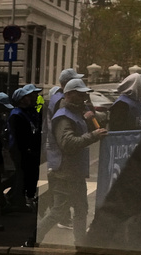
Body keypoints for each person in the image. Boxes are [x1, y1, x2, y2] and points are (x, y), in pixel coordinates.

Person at [41, 78, 107, 240]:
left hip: (74, 172)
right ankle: (33, 239)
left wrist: (90, 118)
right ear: (69, 95)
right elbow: (68, 143)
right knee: (58, 212)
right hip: (65, 173)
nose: (84, 98)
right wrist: (93, 136)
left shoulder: (76, 113)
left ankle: (80, 245)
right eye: (80, 94)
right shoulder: (64, 117)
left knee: (80, 210)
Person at [7, 83, 43, 212]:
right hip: (20, 150)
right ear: (22, 99)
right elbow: (19, 136)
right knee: (22, 175)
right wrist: (26, 149)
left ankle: (17, 198)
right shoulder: (17, 114)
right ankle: (18, 201)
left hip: (28, 149)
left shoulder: (30, 112)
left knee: (25, 175)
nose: (32, 98)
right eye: (28, 96)